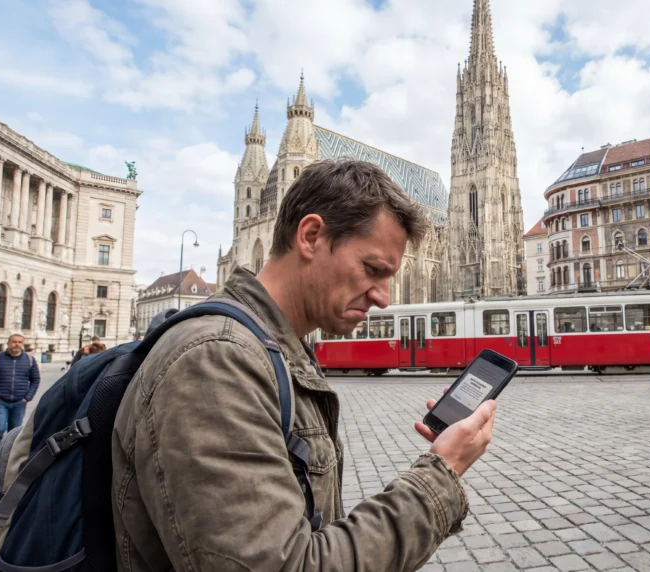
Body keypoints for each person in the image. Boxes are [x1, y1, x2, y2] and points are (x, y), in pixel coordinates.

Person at [111, 159, 498, 570]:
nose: (384, 297)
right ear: (310, 235)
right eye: (372, 270)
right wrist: (442, 472)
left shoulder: (276, 349)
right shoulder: (215, 363)